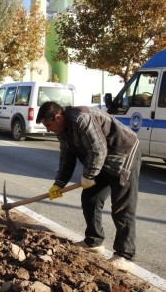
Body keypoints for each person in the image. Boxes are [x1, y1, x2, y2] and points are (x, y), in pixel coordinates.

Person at [36, 101, 140, 272]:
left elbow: (98, 150)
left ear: (58, 116)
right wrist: (58, 183)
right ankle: (94, 241)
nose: (48, 129)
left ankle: (125, 255)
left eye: (49, 125)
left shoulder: (82, 118)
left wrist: (88, 176)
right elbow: (67, 157)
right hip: (101, 162)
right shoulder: (62, 130)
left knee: (122, 207)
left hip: (124, 155)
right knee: (90, 198)